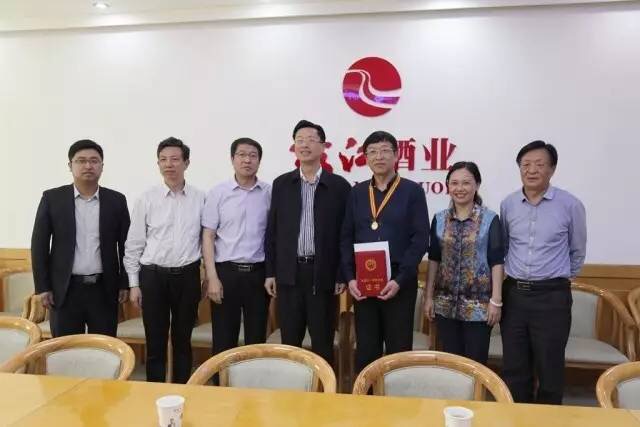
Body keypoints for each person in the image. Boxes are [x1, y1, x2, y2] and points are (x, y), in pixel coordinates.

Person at [500, 140, 587, 404]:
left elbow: (577, 251)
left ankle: (548, 419)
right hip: (514, 295)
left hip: (552, 297)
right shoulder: (508, 204)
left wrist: (556, 280)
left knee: (550, 367)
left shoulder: (570, 205)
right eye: (525, 165)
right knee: (514, 367)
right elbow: (505, 246)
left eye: (539, 164)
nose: (531, 170)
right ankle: (517, 418)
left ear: (552, 169)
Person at [341, 130, 429, 374]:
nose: (378, 157)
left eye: (384, 151)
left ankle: (397, 398)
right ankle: (365, 397)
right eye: (372, 152)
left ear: (396, 155)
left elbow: (420, 239)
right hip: (364, 284)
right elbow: (346, 236)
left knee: (398, 352)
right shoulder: (357, 193)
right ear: (366, 158)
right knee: (366, 350)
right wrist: (350, 278)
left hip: (399, 284)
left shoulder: (412, 191)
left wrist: (400, 280)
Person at [264, 120, 351, 365]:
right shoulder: (282, 184)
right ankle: (293, 387)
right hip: (289, 275)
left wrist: (341, 274)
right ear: (294, 146)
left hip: (323, 275)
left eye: (311, 140)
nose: (304, 145)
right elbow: (272, 231)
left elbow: (345, 235)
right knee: (290, 341)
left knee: (322, 341)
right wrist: (271, 272)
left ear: (323, 146)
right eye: (299, 140)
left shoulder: (339, 186)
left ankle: (324, 386)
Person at [124, 137, 205, 383]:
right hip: (153, 277)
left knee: (183, 340)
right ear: (158, 164)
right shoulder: (146, 199)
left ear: (186, 163)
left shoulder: (201, 198)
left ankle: (182, 391)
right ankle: (155, 391)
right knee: (155, 341)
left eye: (175, 159)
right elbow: (134, 244)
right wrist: (134, 284)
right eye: (163, 159)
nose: (169, 164)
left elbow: (207, 240)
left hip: (188, 276)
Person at [31, 139, 130, 337]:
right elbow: (39, 245)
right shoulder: (52, 199)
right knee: (65, 348)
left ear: (102, 166)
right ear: (70, 165)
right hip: (64, 290)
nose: (88, 166)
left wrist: (124, 283)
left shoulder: (116, 200)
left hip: (104, 289)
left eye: (94, 161)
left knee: (103, 348)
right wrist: (43, 287)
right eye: (81, 160)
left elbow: (126, 245)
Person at [423, 161, 504, 365]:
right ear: (448, 186)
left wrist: (496, 300)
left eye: (466, 183)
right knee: (451, 364)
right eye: (454, 183)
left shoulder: (489, 219)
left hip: (479, 307)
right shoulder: (440, 219)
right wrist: (429, 297)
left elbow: (497, 261)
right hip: (445, 305)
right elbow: (434, 259)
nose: (460, 188)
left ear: (477, 185)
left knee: (476, 364)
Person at [202, 138, 271, 356]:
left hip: (258, 275)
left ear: (259, 161)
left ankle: (253, 379)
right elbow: (208, 236)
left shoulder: (269, 193)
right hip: (226, 274)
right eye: (242, 155)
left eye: (252, 155)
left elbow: (275, 236)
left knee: (256, 340)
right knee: (223, 339)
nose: (247, 160)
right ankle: (221, 379)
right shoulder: (218, 193)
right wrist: (212, 277)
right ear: (232, 159)